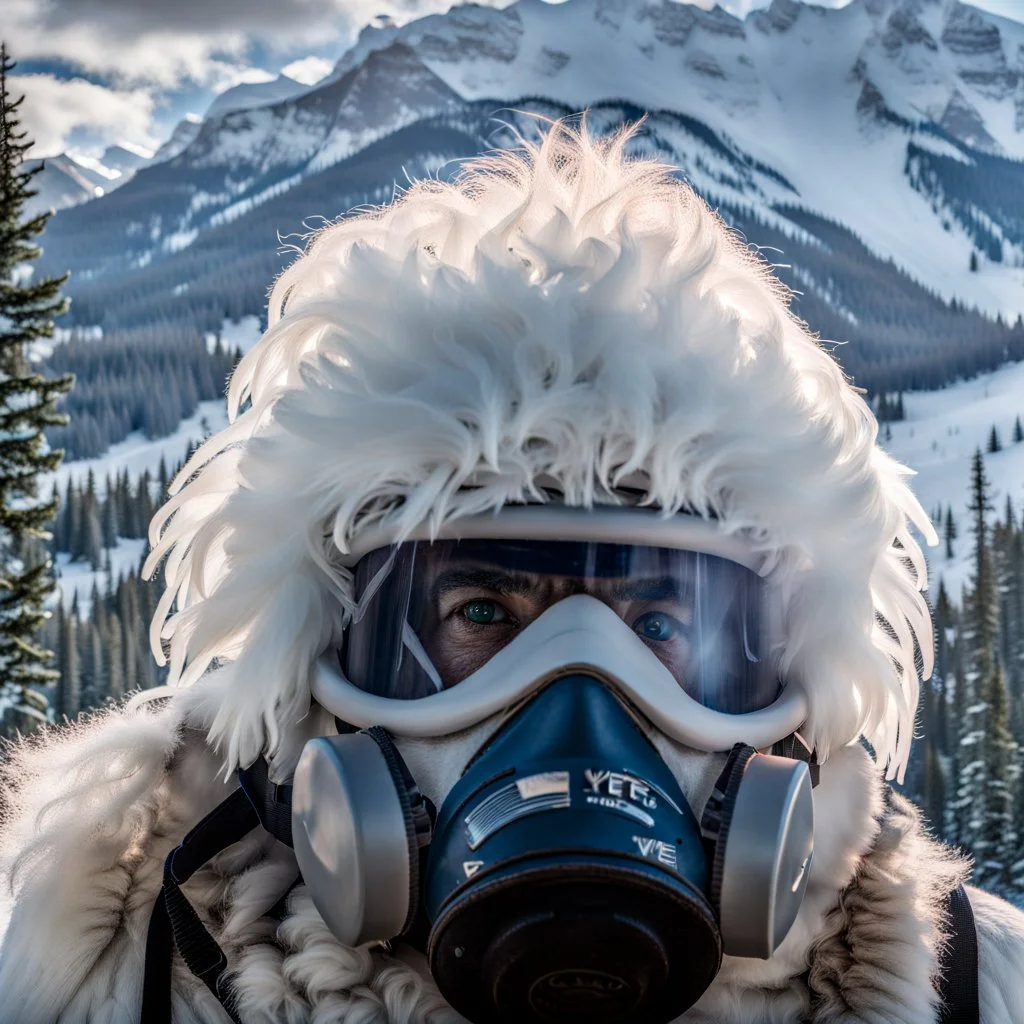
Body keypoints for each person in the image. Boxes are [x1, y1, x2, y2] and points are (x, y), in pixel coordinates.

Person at [1, 119, 1022, 1024]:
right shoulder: (109, 964)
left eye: (662, 625)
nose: (581, 698)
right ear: (317, 667)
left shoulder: (975, 982)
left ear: (790, 719)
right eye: (482, 610)